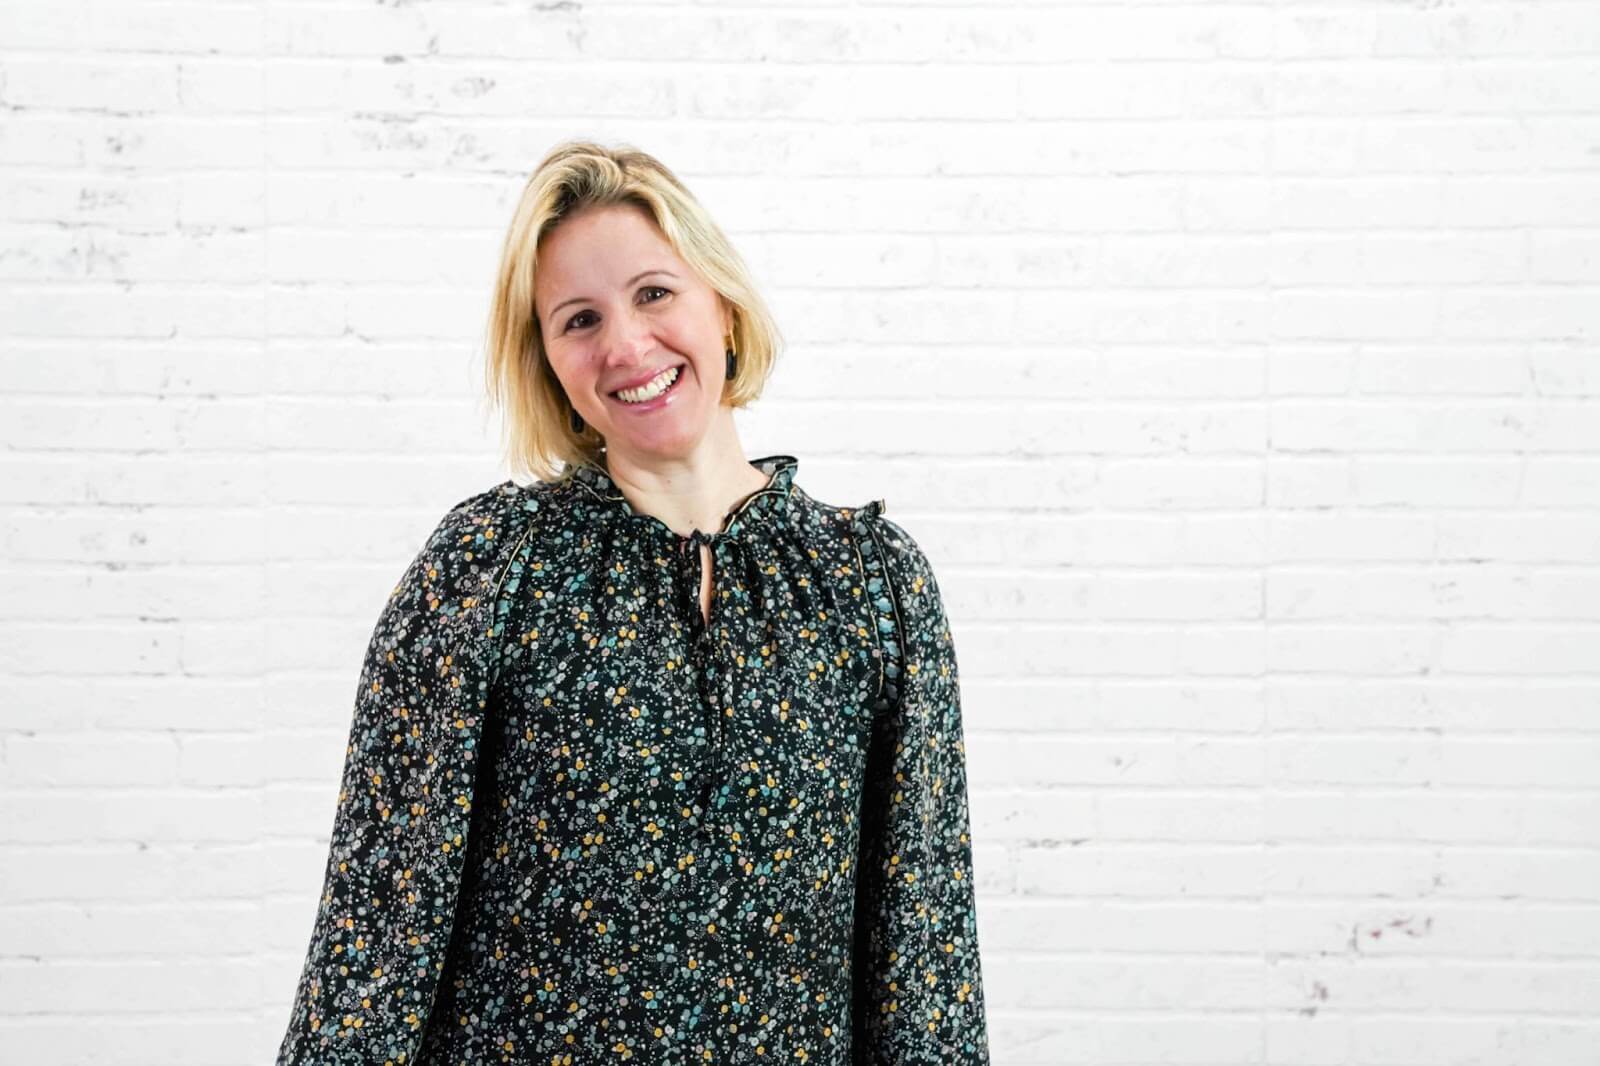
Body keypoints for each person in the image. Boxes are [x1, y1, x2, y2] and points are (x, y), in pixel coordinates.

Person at [274, 140, 991, 1065]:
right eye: (579, 320)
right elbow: (377, 929)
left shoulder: (870, 583)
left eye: (655, 293)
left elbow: (925, 957)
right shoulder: (489, 568)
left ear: (723, 307)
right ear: (552, 367)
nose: (624, 345)